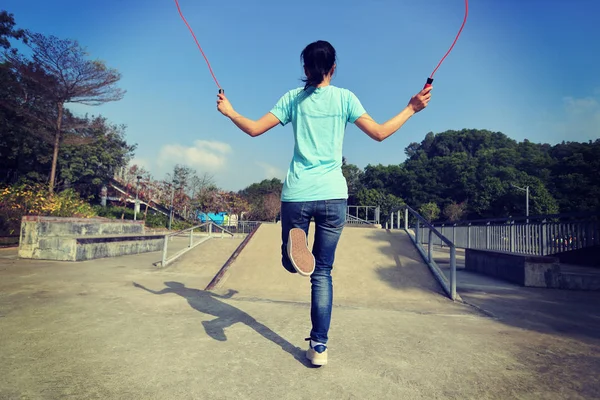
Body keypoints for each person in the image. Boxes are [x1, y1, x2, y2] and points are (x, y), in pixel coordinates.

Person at [216, 40, 432, 366]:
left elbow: (254, 130)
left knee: (291, 262)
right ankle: (319, 347)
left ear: (305, 69)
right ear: (333, 68)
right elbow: (379, 133)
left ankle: (294, 247)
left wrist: (230, 111)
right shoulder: (345, 98)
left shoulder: (293, 99)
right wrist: (411, 108)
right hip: (334, 196)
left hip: (298, 195)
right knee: (323, 273)